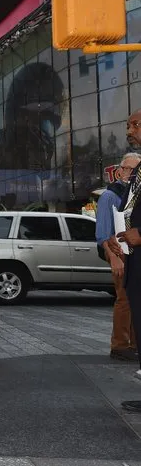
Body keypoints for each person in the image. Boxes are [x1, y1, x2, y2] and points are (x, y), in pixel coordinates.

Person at [96, 153, 141, 361]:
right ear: (120, 170)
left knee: (134, 299)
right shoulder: (110, 195)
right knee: (124, 299)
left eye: (136, 170)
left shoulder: (134, 193)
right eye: (128, 169)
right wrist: (113, 258)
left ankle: (132, 343)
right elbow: (103, 233)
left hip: (131, 252)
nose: (131, 173)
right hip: (118, 252)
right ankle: (120, 345)